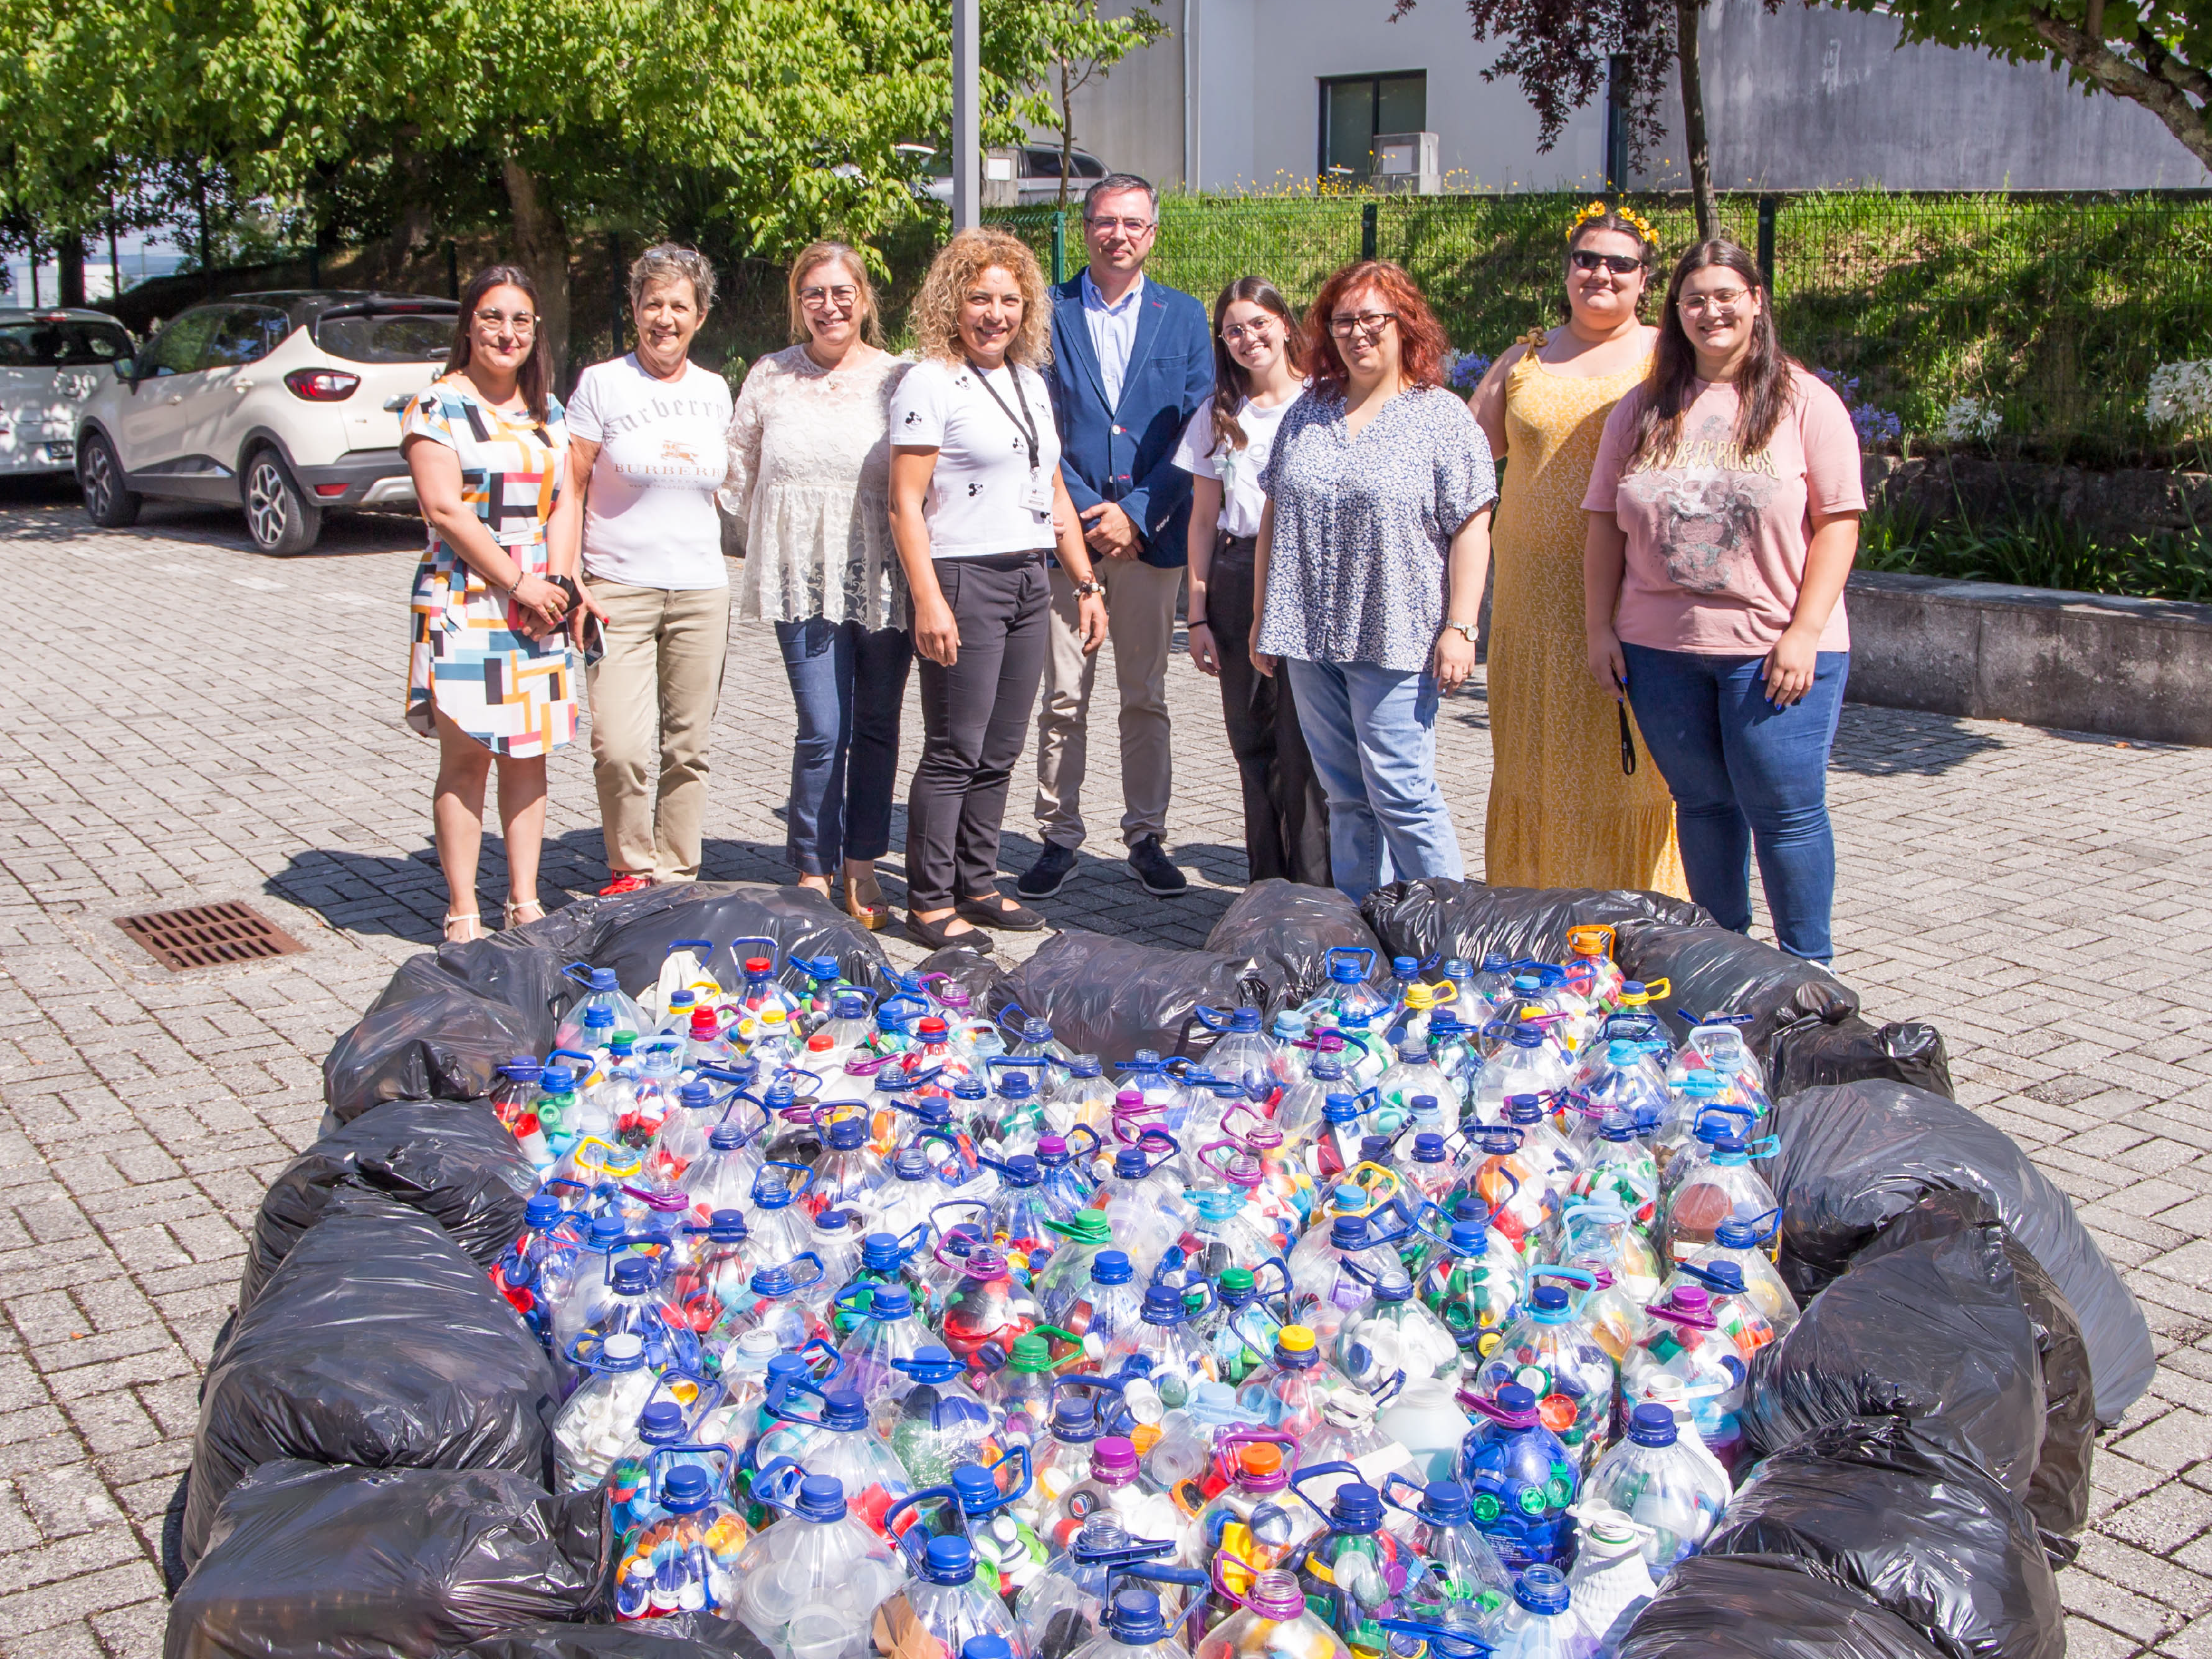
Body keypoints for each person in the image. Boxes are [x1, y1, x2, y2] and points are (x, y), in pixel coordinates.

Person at [1582, 238, 1864, 964]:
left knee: (1785, 814)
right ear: (1674, 312)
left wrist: (1802, 633)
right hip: (1659, 652)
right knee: (1702, 808)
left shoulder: (1806, 402)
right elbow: (1604, 526)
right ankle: (1725, 961)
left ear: (1756, 301)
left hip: (1773, 652)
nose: (1711, 311)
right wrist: (1599, 628)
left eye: (1725, 296)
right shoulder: (1641, 409)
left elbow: (1838, 523)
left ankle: (1809, 972)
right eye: (1694, 299)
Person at [890, 228, 1110, 950]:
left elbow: (1051, 487)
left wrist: (1084, 580)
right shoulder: (929, 380)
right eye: (979, 297)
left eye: (1010, 299)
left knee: (1002, 745)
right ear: (952, 301)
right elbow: (904, 504)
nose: (995, 313)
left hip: (1027, 573)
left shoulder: (1029, 380)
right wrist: (928, 598)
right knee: (955, 747)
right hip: (963, 575)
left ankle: (976, 882)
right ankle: (927, 902)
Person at [1251, 259, 1496, 902]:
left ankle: (1449, 933)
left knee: (1403, 795)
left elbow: (1472, 524)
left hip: (1398, 635)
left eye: (1372, 319)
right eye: (1343, 321)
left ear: (1402, 324)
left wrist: (1461, 626)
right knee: (1346, 798)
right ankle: (1368, 932)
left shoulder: (1441, 417)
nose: (1358, 333)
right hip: (1306, 635)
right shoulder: (1308, 411)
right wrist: (1260, 618)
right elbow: (1274, 513)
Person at [1470, 204, 1688, 897]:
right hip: (1530, 601)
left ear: (1645, 280)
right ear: (1566, 271)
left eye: (1619, 264)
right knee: (1534, 756)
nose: (1600, 273)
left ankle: (1634, 912)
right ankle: (1538, 910)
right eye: (1585, 259)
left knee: (1631, 762)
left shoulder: (1669, 357)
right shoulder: (1524, 358)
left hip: (1633, 593)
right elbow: (1469, 462)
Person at [1017, 173, 1214, 902]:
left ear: (1152, 233)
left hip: (1150, 538)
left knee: (1145, 695)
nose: (1118, 234)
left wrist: (1134, 510)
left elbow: (1199, 429)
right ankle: (1057, 836)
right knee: (1063, 696)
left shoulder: (1185, 317)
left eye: (1133, 223)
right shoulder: (1048, 312)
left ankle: (1145, 836)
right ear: (1085, 226)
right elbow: (1037, 425)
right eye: (1105, 221)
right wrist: (1081, 516)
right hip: (1066, 539)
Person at [723, 242, 912, 928]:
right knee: (822, 728)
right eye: (814, 294)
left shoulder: (900, 377)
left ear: (864, 298)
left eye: (841, 292)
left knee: (877, 724)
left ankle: (861, 864)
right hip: (800, 578)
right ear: (798, 303)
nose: (828, 306)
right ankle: (811, 867)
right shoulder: (771, 375)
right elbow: (736, 471)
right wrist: (767, 542)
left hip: (883, 573)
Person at [401, 265, 581, 942]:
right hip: (466, 598)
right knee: (468, 756)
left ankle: (525, 901)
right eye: (493, 317)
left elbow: (564, 500)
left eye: (521, 321)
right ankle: (462, 910)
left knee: (529, 753)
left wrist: (557, 586)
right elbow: (445, 509)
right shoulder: (436, 406)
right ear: (468, 325)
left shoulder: (549, 412)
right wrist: (520, 584)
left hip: (537, 600)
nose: (507, 332)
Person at [562, 244, 731, 899]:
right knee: (622, 747)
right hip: (615, 589)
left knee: (687, 748)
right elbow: (571, 484)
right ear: (634, 309)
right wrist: (568, 573)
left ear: (700, 315)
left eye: (679, 305)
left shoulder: (715, 391)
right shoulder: (602, 384)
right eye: (652, 303)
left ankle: (677, 876)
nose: (665, 318)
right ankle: (632, 871)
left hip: (699, 589)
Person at [1171, 276, 1329, 887]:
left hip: (1309, 578)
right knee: (1253, 742)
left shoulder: (1323, 403)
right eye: (1233, 330)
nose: (1247, 338)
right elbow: (1204, 519)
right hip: (1237, 578)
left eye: (1258, 323)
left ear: (1285, 325)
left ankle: (1316, 889)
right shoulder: (1218, 417)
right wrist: (1200, 614)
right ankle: (1265, 886)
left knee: (1306, 746)